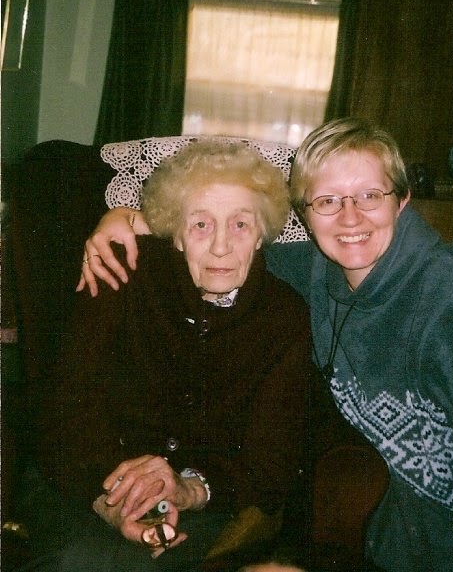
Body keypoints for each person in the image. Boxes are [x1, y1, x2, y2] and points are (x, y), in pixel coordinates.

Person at [80, 118, 453, 572]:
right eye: (328, 200)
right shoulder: (310, 270)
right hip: (387, 545)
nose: (350, 218)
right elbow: (224, 243)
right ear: (304, 215)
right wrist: (126, 219)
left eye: (370, 195)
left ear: (402, 199)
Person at [19, 139, 319, 572]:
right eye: (200, 225)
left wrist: (188, 488)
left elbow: (271, 461)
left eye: (240, 224)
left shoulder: (285, 317)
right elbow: (63, 406)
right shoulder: (120, 272)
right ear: (175, 234)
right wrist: (113, 497)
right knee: (81, 560)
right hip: (81, 479)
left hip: (200, 503)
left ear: (261, 235)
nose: (221, 246)